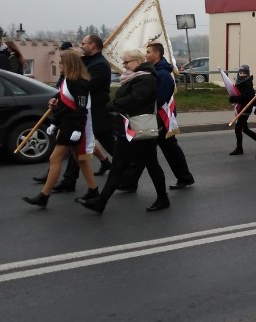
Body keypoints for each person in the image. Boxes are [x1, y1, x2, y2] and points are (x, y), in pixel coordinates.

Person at [79, 49, 169, 214]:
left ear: (137, 62)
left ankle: (162, 198)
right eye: (124, 62)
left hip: (139, 130)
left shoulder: (146, 78)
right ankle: (101, 202)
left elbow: (136, 99)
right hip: (128, 129)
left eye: (127, 62)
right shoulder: (135, 77)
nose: (124, 65)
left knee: (150, 165)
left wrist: (113, 105)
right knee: (120, 166)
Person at [23, 50, 99, 208]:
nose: (59, 66)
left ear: (69, 65)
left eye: (61, 64)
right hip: (65, 124)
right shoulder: (68, 81)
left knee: (55, 159)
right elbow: (63, 101)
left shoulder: (79, 83)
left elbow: (81, 108)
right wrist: (54, 121)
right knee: (80, 160)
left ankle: (44, 195)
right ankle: (93, 190)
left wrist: (78, 129)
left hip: (73, 127)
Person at [123, 43, 195, 191]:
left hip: (161, 117)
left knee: (161, 150)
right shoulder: (156, 71)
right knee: (148, 150)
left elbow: (160, 97)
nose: (146, 55)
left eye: (148, 52)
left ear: (157, 54)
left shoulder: (162, 74)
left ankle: (183, 178)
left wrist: (142, 105)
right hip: (155, 117)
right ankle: (130, 182)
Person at [49, 34, 114, 191]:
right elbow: (70, 84)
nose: (81, 45)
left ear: (92, 45)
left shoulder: (101, 65)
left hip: (95, 112)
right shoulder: (85, 61)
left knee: (111, 145)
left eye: (83, 43)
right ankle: (69, 180)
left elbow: (83, 86)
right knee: (77, 148)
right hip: (82, 110)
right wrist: (57, 96)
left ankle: (129, 170)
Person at [228, 65, 256, 155]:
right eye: (240, 72)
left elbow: (246, 97)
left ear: (247, 73)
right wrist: (232, 98)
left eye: (244, 72)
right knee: (245, 129)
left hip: (246, 108)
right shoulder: (238, 81)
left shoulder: (248, 83)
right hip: (240, 107)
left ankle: (239, 148)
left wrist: (234, 99)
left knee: (238, 128)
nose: (242, 74)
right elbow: (236, 93)